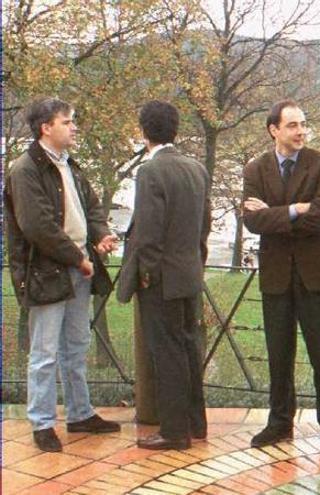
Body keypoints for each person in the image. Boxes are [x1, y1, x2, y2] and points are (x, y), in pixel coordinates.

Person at [4, 97, 120, 452]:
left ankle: (80, 413)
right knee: (44, 352)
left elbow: (91, 207)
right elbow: (37, 226)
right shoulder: (24, 170)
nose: (74, 127)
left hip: (79, 268)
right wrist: (77, 258)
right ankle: (41, 423)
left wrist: (100, 235)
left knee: (76, 345)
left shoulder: (70, 164)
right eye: (67, 122)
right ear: (46, 128)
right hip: (46, 272)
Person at [242, 100, 320, 454]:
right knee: (279, 354)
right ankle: (279, 423)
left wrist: (275, 216)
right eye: (292, 125)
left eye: (303, 124)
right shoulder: (255, 169)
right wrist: (294, 210)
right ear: (273, 129)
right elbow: (251, 221)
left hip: (317, 275)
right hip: (276, 275)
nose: (301, 131)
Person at [117, 100, 211, 450]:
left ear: (144, 131)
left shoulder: (150, 172)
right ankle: (196, 424)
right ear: (175, 128)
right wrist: (196, 262)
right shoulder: (196, 169)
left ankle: (173, 432)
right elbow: (204, 225)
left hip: (161, 281)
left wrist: (147, 273)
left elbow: (149, 232)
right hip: (189, 274)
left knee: (168, 353)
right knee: (188, 348)